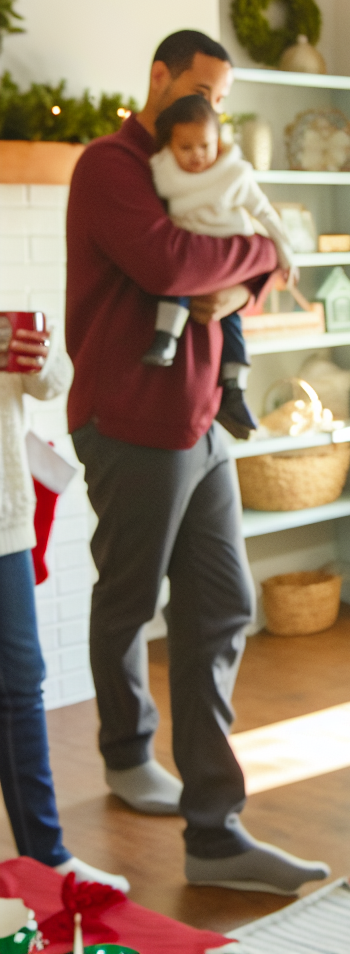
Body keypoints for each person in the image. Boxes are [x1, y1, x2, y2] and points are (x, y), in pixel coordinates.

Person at [65, 29, 329, 894]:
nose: (213, 110)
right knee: (131, 595)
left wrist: (245, 271)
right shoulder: (110, 166)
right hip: (132, 419)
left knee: (222, 606)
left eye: (221, 98)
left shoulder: (208, 161)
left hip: (203, 417)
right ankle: (126, 753)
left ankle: (215, 835)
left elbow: (237, 253)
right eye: (203, 91)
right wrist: (258, 258)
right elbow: (172, 260)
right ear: (159, 78)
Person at [0, 324, 128, 892]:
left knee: (22, 684)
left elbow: (52, 386)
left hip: (5, 522)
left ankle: (47, 858)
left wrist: (43, 359)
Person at [143, 93, 296, 439]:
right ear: (170, 146)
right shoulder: (163, 173)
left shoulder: (232, 177)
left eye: (205, 146)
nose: (197, 156)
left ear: (219, 143)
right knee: (178, 285)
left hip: (229, 251)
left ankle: (236, 388)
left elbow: (265, 214)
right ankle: (165, 339)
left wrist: (286, 253)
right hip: (190, 256)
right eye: (186, 148)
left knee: (232, 326)